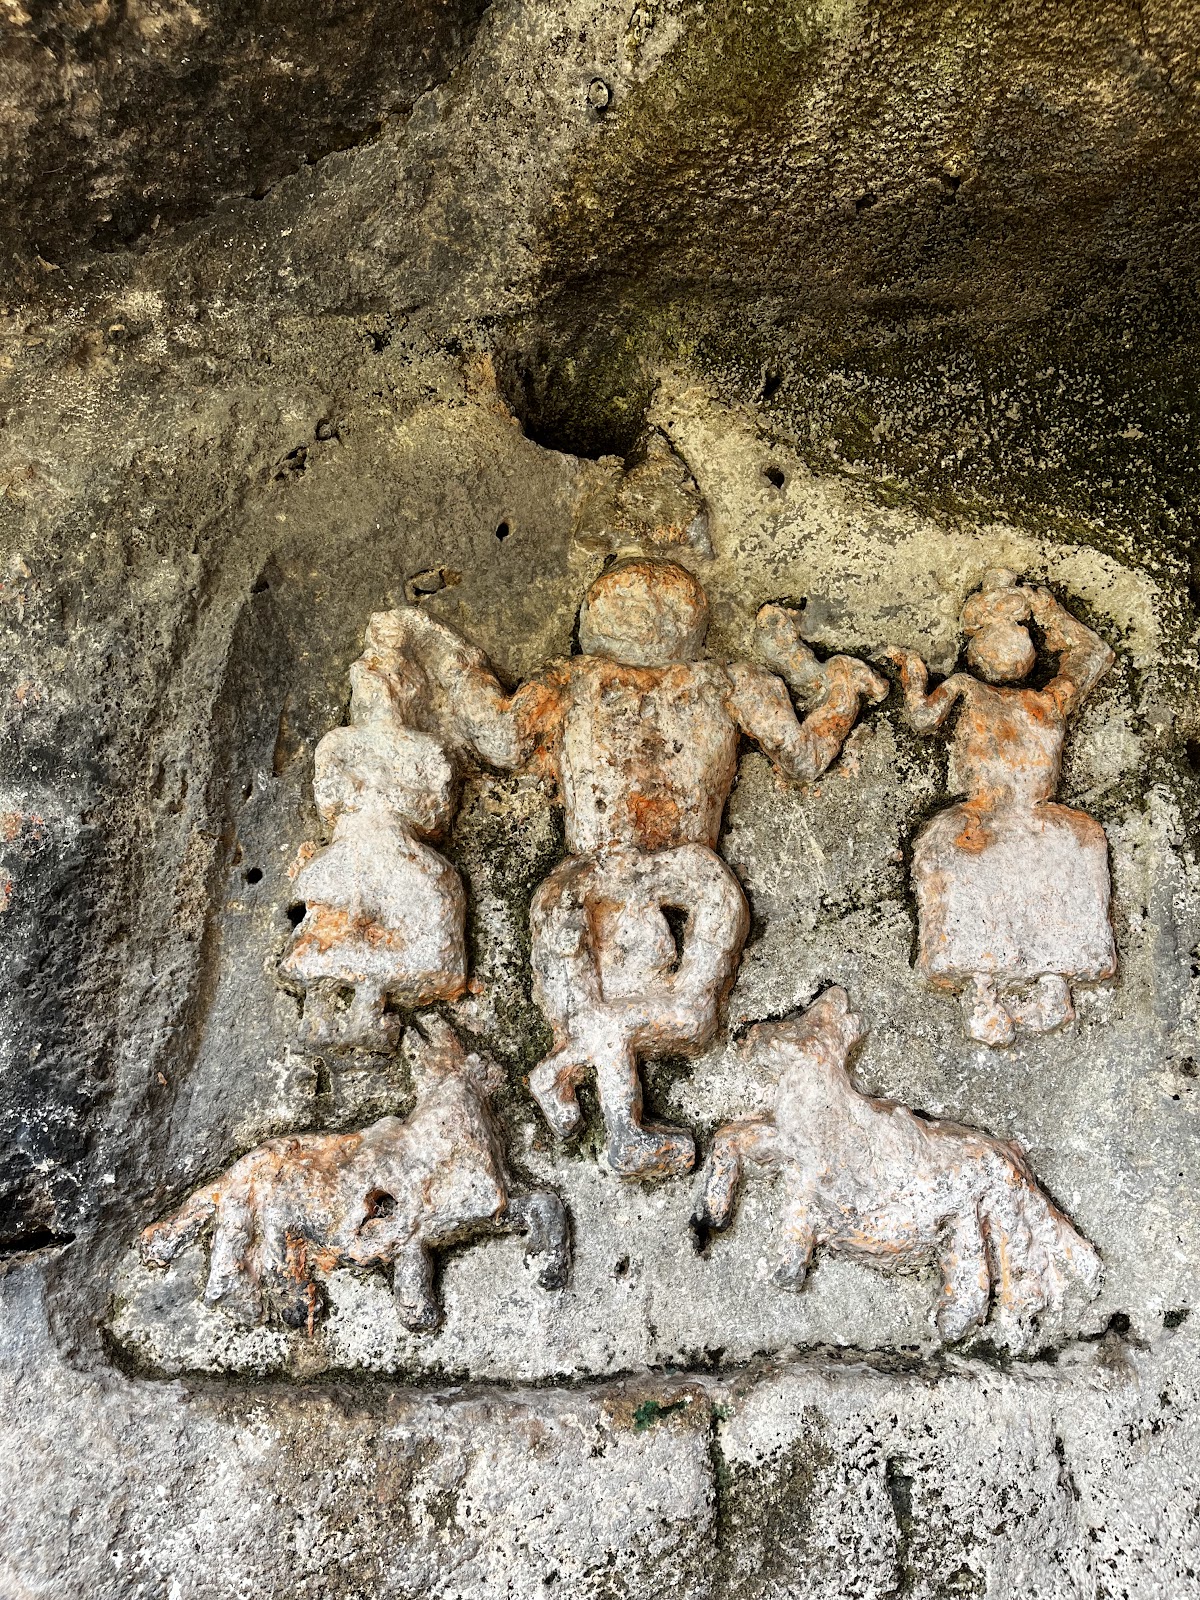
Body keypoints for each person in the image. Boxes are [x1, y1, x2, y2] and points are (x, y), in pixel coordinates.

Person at [393, 555, 886, 1176]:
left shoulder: (578, 682)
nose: (645, 610)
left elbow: (498, 737)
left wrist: (448, 658)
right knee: (679, 1013)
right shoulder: (722, 682)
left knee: (663, 1015)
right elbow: (803, 754)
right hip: (668, 873)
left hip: (614, 874)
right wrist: (841, 690)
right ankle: (605, 1105)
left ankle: (587, 1084)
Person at [883, 569, 1115, 1046]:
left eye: (1017, 630)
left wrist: (1047, 610)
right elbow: (923, 717)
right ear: (974, 646)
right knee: (949, 849)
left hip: (1035, 813)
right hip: (981, 816)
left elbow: (1094, 655)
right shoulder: (968, 688)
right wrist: (913, 674)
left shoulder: (1048, 700)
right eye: (993, 631)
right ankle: (982, 987)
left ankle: (1053, 979)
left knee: (1081, 843)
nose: (1008, 643)